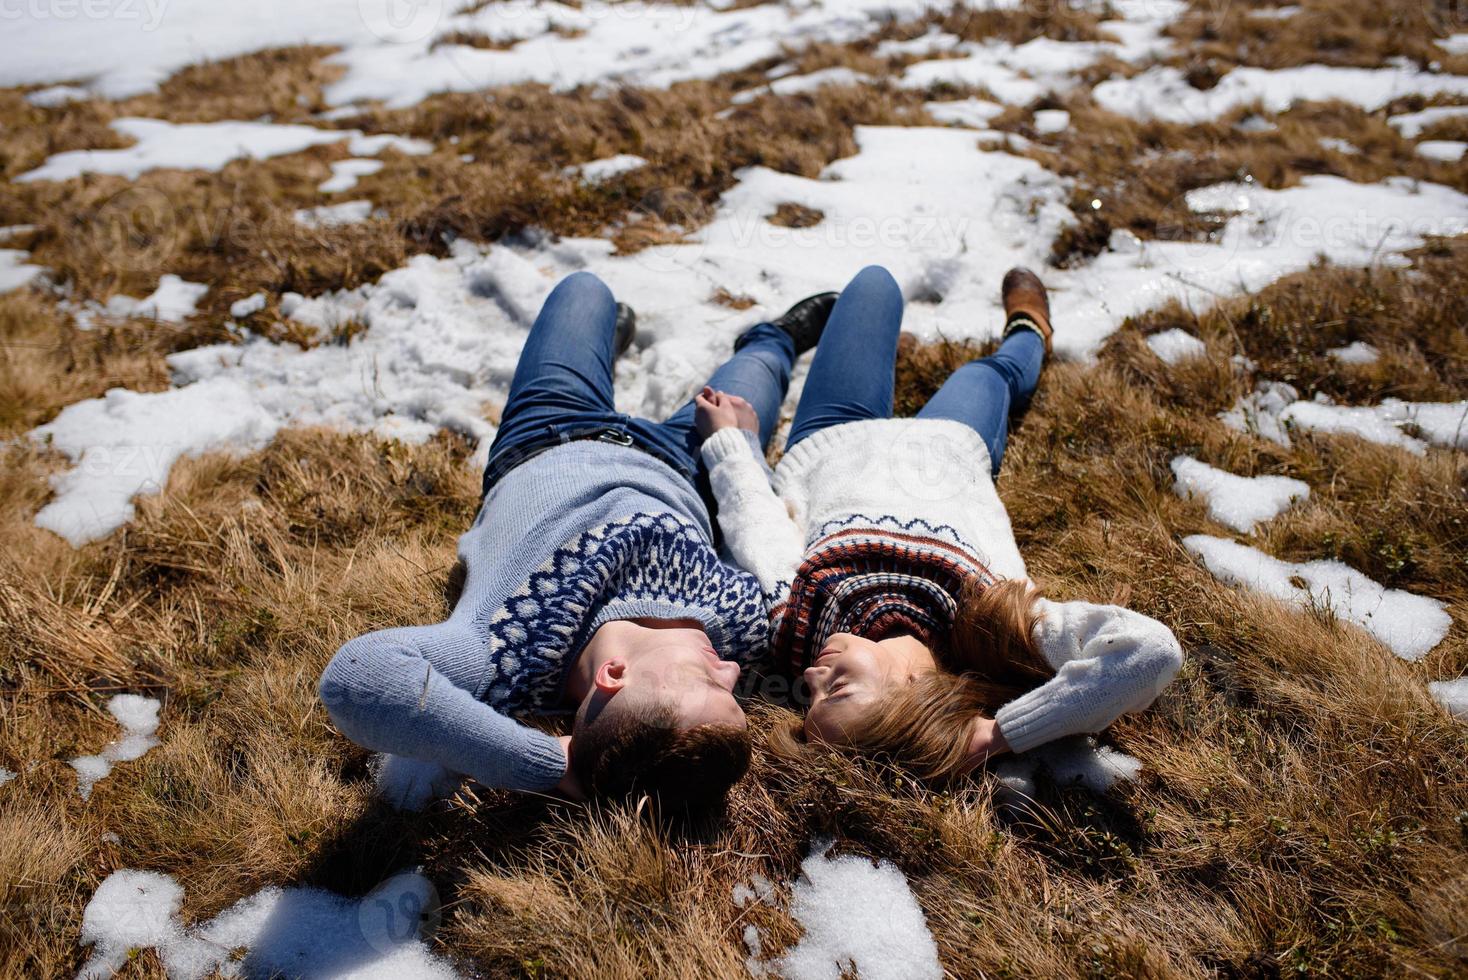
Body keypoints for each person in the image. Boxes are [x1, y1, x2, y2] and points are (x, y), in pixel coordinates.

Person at [319, 271, 837, 816]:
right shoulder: (737, 628)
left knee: (583, 290)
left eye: (708, 681)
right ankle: (772, 337)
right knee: (754, 375)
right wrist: (740, 444)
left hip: (549, 432)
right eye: (734, 695)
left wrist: (543, 764)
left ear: (615, 676)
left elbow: (358, 681)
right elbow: (752, 526)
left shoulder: (503, 656)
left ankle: (602, 345)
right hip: (685, 460)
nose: (733, 672)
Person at [695, 265, 1183, 783]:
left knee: (874, 285)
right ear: (913, 693)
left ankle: (804, 342)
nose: (811, 677)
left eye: (810, 696)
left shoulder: (800, 629)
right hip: (948, 440)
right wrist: (1003, 733)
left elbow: (759, 529)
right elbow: (1149, 652)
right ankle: (1030, 331)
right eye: (832, 690)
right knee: (990, 373)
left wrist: (728, 445)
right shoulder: (998, 630)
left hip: (833, 437)